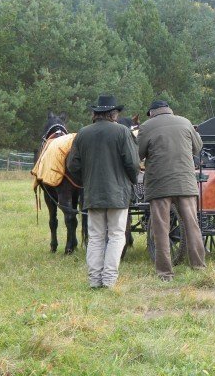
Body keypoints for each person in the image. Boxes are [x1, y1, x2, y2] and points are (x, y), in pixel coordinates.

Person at [67, 95, 140, 289]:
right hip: (118, 194)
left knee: (96, 236)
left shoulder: (83, 133)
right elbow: (132, 163)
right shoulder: (122, 132)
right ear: (113, 114)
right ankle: (108, 280)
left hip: (93, 193)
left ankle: (94, 280)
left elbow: (72, 164)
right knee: (116, 235)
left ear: (96, 113)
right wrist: (132, 180)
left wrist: (87, 180)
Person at [137, 100, 206, 281]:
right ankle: (198, 266)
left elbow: (138, 154)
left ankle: (165, 273)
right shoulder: (185, 122)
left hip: (160, 184)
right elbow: (198, 148)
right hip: (185, 183)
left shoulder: (145, 127)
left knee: (161, 229)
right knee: (192, 225)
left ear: (151, 113)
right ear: (169, 110)